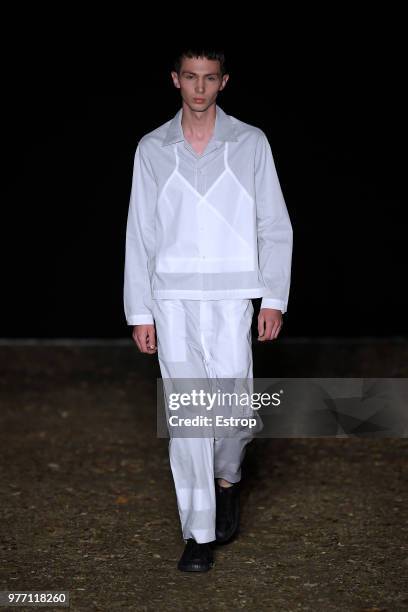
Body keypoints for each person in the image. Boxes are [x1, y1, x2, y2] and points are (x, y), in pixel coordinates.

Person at [123, 47, 293, 572]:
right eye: (191, 78)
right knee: (189, 416)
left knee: (234, 408)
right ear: (176, 80)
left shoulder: (249, 143)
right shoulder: (153, 149)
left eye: (209, 79)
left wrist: (274, 297)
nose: (199, 88)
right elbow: (141, 233)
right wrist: (140, 311)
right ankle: (198, 534)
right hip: (172, 299)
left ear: (224, 83)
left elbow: (274, 224)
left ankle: (228, 480)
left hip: (232, 295)